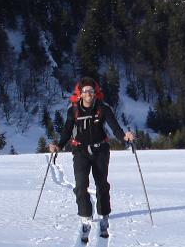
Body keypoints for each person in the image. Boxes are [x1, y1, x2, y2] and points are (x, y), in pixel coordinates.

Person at [49, 77, 134, 236]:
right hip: (80, 151)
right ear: (79, 94)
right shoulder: (73, 110)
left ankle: (104, 214)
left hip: (100, 149)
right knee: (81, 184)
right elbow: (67, 131)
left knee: (102, 184)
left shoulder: (103, 108)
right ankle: (86, 216)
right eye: (86, 91)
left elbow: (114, 127)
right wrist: (59, 146)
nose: (89, 94)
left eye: (92, 91)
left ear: (95, 94)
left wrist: (124, 137)